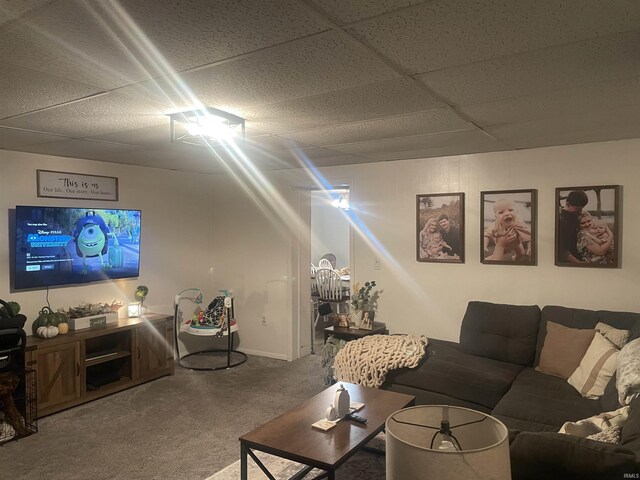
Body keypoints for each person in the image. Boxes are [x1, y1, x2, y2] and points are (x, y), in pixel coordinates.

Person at [557, 190, 589, 263]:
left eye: (582, 208)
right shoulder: (561, 221)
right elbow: (562, 251)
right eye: (578, 209)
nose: (580, 211)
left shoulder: (578, 215)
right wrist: (579, 263)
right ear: (568, 204)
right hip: (570, 261)